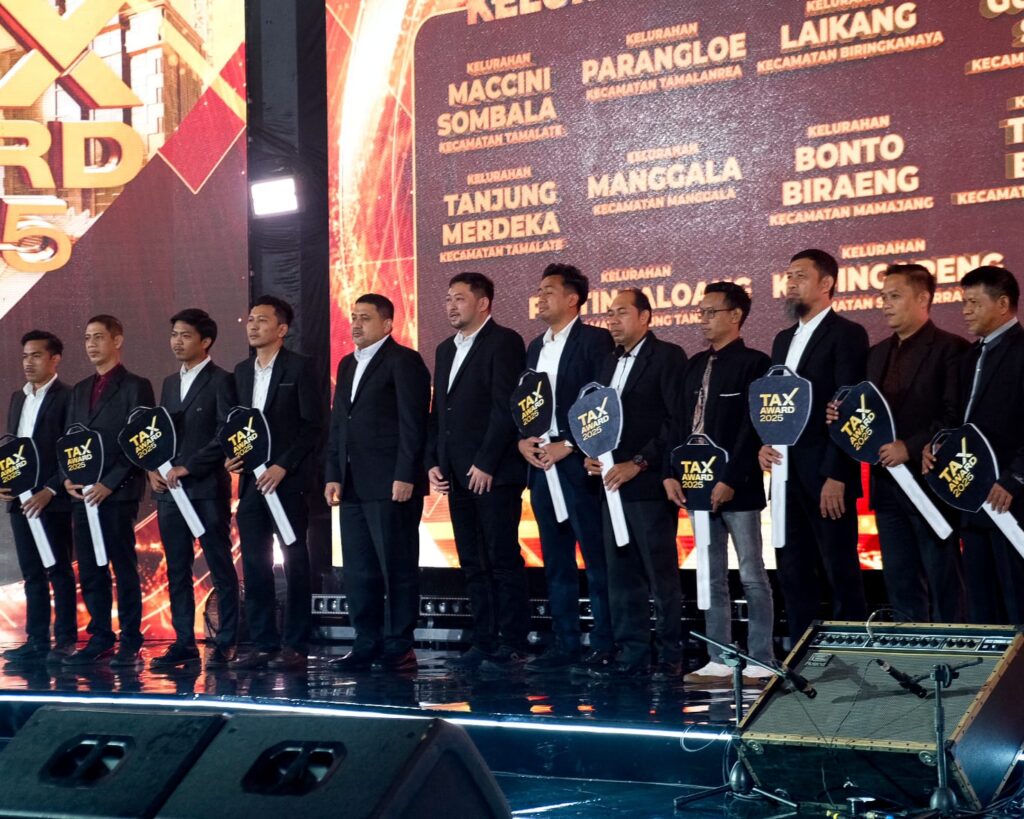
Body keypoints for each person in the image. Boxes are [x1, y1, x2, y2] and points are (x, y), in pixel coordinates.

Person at [830, 264, 966, 623]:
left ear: (923, 298)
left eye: (894, 296)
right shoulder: (875, 354)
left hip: (932, 484)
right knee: (900, 581)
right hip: (886, 486)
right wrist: (839, 415)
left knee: (943, 578)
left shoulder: (951, 349)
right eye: (882, 297)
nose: (885, 304)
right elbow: (866, 413)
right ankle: (911, 650)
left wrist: (911, 446)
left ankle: (954, 649)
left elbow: (954, 415)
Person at [662, 283, 775, 684]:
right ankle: (718, 657)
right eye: (701, 313)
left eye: (711, 313)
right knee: (710, 576)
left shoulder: (755, 362)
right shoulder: (694, 364)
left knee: (752, 574)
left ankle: (761, 658)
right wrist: (669, 473)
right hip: (695, 485)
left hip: (738, 488)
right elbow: (677, 422)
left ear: (736, 315)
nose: (704, 321)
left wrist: (730, 478)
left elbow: (752, 427)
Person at [758, 250, 867, 645]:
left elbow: (849, 409)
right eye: (788, 276)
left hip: (825, 475)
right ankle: (802, 654)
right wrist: (764, 444)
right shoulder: (782, 340)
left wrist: (837, 474)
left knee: (839, 569)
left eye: (800, 276)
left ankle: (853, 653)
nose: (791, 283)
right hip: (784, 474)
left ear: (827, 283)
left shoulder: (847, 334)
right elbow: (775, 406)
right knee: (792, 569)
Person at [426, 272, 530, 672]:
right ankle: (483, 639)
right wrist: (434, 461)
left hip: (494, 472)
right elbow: (440, 412)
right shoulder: (444, 349)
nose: (451, 306)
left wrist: (486, 461)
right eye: (448, 299)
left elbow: (506, 407)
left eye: (460, 298)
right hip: (455, 473)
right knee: (471, 560)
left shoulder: (504, 341)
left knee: (502, 558)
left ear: (483, 303)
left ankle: (512, 641)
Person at [584, 288, 686, 680]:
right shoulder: (607, 361)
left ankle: (670, 654)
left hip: (648, 485)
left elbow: (674, 421)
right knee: (621, 574)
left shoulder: (668, 356)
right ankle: (632, 652)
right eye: (610, 314)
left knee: (660, 575)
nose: (612, 320)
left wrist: (639, 463)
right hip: (609, 485)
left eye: (622, 313)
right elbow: (595, 418)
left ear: (645, 317)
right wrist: (591, 454)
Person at [325, 294, 431, 673]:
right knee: (358, 569)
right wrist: (333, 473)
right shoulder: (347, 364)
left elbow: (413, 423)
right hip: (352, 483)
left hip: (391, 483)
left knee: (396, 566)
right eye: (353, 317)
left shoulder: (404, 360)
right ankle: (365, 642)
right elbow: (339, 423)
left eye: (365, 318)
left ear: (387, 324)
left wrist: (406, 474)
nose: (355, 324)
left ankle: (400, 644)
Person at [519, 264, 615, 675]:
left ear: (573, 298)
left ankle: (607, 642)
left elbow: (603, 401)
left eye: (549, 291)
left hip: (578, 462)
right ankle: (565, 642)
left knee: (596, 558)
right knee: (556, 560)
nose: (540, 298)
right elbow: (526, 403)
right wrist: (523, 440)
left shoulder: (594, 340)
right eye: (539, 290)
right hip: (542, 464)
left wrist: (571, 444)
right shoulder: (534, 346)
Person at [923, 265, 1024, 624]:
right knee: (981, 603)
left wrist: (1014, 478)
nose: (965, 311)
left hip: (1011, 497)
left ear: (1003, 304)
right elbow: (959, 420)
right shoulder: (969, 356)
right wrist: (937, 444)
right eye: (963, 302)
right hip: (971, 494)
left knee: (1017, 597)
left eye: (974, 303)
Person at [228, 295, 323, 671]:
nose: (253, 326)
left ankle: (296, 644)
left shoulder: (300, 367)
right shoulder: (241, 371)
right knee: (255, 563)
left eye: (262, 320)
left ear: (282, 329)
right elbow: (235, 426)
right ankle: (263, 643)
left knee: (294, 560)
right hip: (252, 484)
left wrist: (283, 465)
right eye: (250, 319)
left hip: (288, 481)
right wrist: (232, 457)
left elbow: (313, 425)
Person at [149, 309, 240, 669]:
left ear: (206, 341)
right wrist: (153, 470)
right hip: (170, 492)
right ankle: (184, 642)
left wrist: (191, 466)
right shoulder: (170, 382)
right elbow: (158, 435)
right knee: (177, 569)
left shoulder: (222, 380)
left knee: (219, 565)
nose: (177, 341)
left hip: (205, 489)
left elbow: (226, 432)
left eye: (185, 335)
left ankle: (226, 641)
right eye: (174, 334)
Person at [63, 315, 154, 666]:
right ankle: (100, 636)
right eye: (87, 338)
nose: (91, 344)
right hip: (83, 494)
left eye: (98, 337)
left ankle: (130, 639)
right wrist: (68, 477)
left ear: (117, 340)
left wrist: (109, 483)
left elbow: (139, 442)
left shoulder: (136, 386)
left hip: (117, 492)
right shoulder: (79, 389)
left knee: (122, 566)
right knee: (90, 568)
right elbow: (70, 439)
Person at [0, 331, 76, 663]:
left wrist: (51, 489)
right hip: (20, 499)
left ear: (54, 359)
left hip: (51, 500)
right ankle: (37, 640)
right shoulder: (18, 397)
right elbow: (12, 447)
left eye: (35, 356)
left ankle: (66, 640)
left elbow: (70, 452)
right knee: (31, 572)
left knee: (58, 570)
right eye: (25, 356)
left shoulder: (67, 396)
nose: (28, 363)